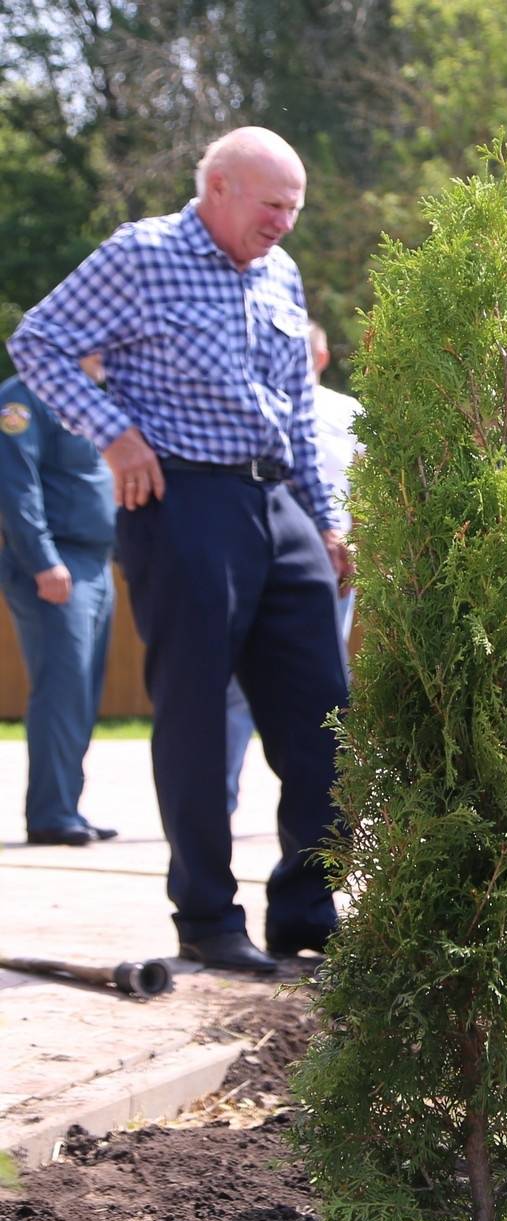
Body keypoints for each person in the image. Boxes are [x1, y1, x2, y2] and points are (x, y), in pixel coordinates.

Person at [7, 126, 351, 975]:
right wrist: (115, 435)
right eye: (271, 205)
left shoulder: (280, 272)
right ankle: (207, 917)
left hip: (279, 501)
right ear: (218, 187)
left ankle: (305, 911)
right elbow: (38, 341)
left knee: (325, 719)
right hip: (184, 500)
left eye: (294, 209)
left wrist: (326, 519)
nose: (283, 223)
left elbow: (298, 409)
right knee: (195, 715)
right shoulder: (142, 254)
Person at [224, 320, 359, 814]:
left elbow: (371, 487)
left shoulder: (348, 414)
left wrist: (359, 548)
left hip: (328, 563)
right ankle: (222, 802)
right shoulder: (252, 406)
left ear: (320, 358)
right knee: (234, 692)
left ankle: (322, 817)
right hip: (251, 552)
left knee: (321, 692)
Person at [0, 356, 119, 846]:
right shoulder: (23, 398)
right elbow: (16, 485)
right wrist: (43, 560)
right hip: (57, 564)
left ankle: (66, 805)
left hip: (96, 562)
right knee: (61, 688)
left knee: (83, 692)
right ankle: (51, 814)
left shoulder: (88, 400)